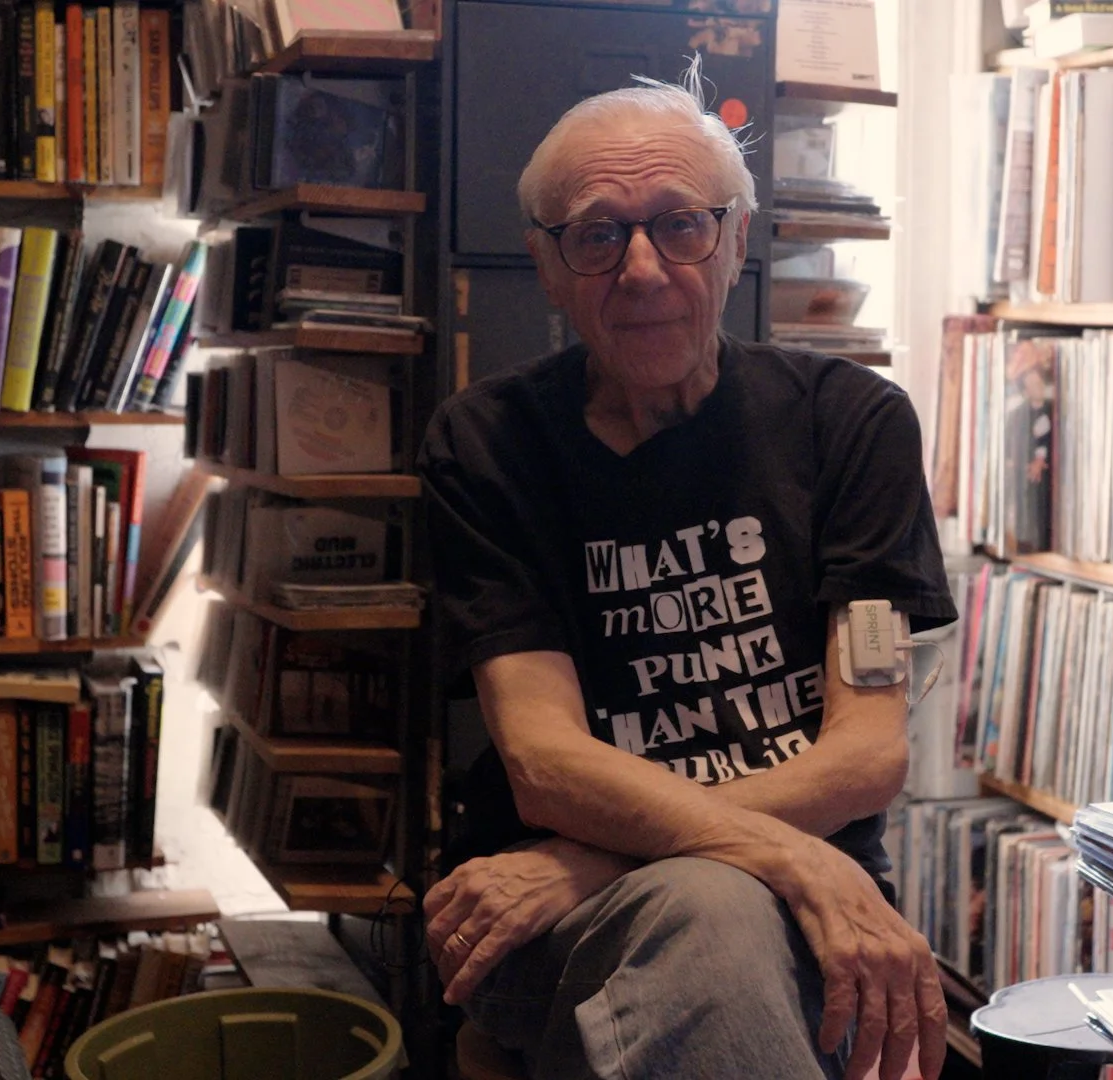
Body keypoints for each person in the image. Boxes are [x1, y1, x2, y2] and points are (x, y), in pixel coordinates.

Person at [418, 65, 956, 1080]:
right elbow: (544, 763)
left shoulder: (850, 424)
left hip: (650, 888)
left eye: (680, 224)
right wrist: (784, 848)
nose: (642, 267)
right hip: (544, 927)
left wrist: (596, 852)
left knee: (720, 912)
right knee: (709, 904)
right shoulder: (487, 443)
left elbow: (866, 756)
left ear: (738, 238)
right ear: (545, 262)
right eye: (595, 232)